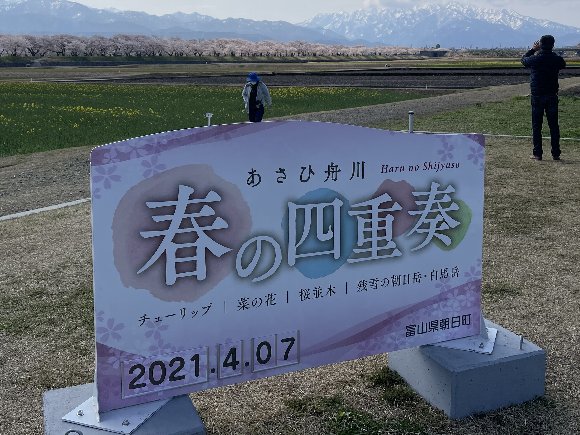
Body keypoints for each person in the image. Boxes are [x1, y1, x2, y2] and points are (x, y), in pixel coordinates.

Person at [521, 35, 566, 161]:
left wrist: (533, 50)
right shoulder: (556, 59)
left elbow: (523, 60)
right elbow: (563, 64)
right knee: (554, 126)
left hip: (537, 96)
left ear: (540, 44)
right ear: (553, 45)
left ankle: (537, 153)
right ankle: (556, 153)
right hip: (552, 95)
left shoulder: (535, 59)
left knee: (537, 125)